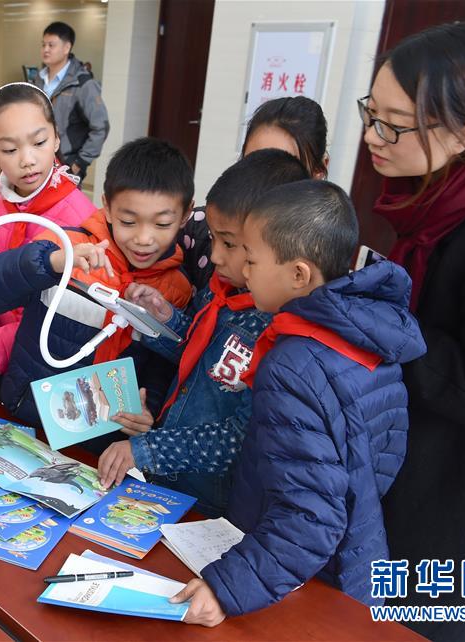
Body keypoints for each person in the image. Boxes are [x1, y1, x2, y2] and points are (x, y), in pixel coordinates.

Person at [170, 180, 426, 627]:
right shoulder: (367, 337)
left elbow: (308, 519)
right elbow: (378, 459)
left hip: (299, 580)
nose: (244, 271)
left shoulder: (293, 365)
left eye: (252, 259)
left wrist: (228, 586)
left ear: (299, 274)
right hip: (353, 557)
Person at [359, 23, 465, 642]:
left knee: (410, 630)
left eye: (394, 124)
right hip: (407, 473)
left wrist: (384, 327)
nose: (373, 136)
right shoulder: (436, 196)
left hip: (459, 505)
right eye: (371, 113)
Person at [96, 150, 309, 517]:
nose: (216, 255)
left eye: (229, 244)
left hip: (213, 500)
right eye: (212, 239)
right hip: (169, 481)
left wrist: (147, 449)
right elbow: (200, 354)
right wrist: (164, 318)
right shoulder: (220, 289)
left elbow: (237, 438)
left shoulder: (278, 332)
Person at [0, 137, 193, 443]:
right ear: (107, 207)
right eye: (128, 221)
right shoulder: (66, 246)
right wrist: (50, 262)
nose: (144, 238)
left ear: (186, 215)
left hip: (97, 444)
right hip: (23, 419)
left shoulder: (177, 290)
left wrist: (148, 406)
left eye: (162, 224)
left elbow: (161, 369)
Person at [0, 82, 96, 383]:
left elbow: (63, 319)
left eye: (39, 143)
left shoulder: (78, 217)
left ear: (56, 139)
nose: (27, 160)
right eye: (10, 149)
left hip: (43, 362)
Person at [182, 96, 328, 292]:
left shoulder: (317, 272)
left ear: (318, 173)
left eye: (283, 165)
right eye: (254, 161)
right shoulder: (196, 228)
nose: (263, 177)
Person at [32, 21, 109, 183]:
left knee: (64, 206)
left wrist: (79, 163)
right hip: (37, 159)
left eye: (51, 45)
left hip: (67, 163)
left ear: (66, 48)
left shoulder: (82, 83)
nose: (45, 49)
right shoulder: (38, 79)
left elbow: (101, 126)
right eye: (43, 44)